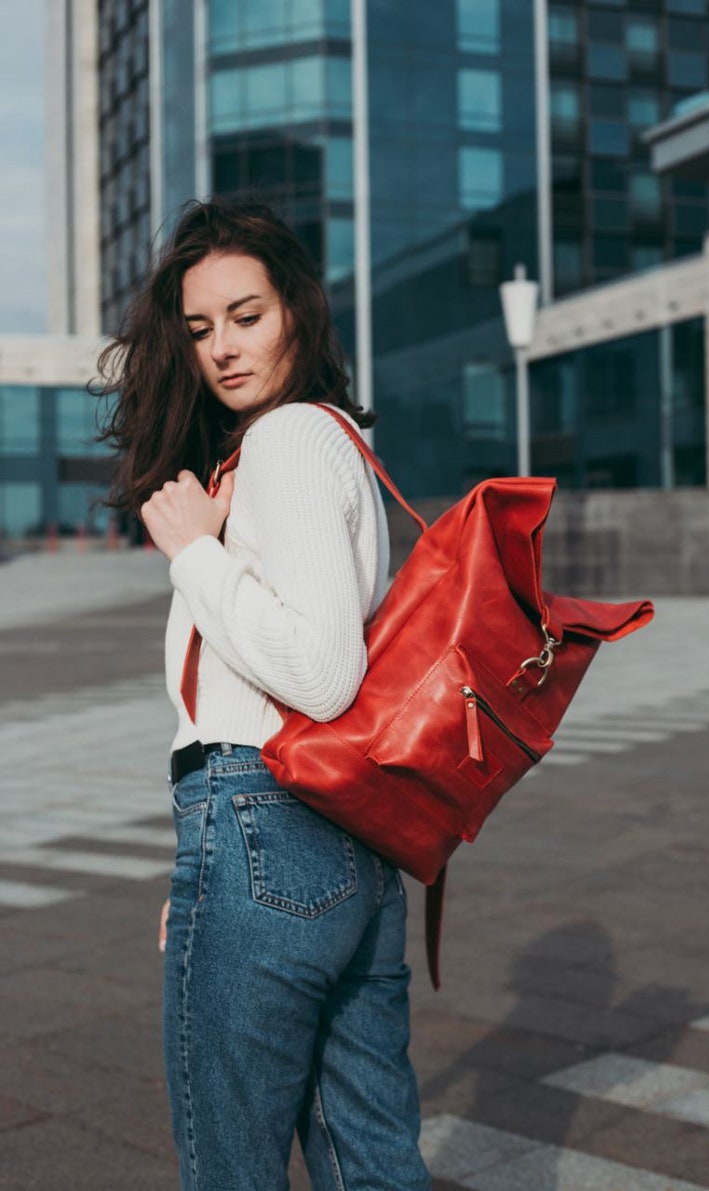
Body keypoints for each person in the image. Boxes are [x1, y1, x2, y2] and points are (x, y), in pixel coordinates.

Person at [97, 197, 431, 1191]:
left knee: (231, 1171)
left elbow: (319, 675)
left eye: (246, 315)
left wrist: (194, 550)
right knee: (371, 1163)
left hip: (260, 823)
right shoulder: (332, 440)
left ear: (294, 308)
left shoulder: (285, 440)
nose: (223, 349)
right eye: (199, 330)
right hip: (348, 842)